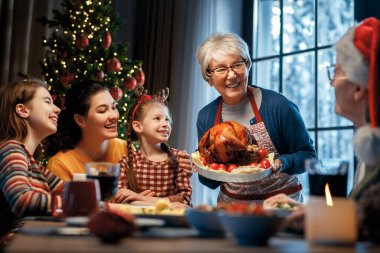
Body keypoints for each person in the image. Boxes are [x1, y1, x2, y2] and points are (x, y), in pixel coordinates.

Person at [263, 17, 380, 240]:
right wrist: (305, 211)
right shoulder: (370, 149)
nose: (332, 83)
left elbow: (364, 227)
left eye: (335, 72)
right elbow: (359, 215)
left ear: (357, 88)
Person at [196, 32, 317, 204]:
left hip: (281, 203)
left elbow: (309, 156)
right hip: (232, 207)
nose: (231, 75)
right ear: (209, 77)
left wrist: (282, 162)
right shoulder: (206, 117)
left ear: (247, 66)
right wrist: (199, 167)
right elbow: (210, 182)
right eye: (222, 69)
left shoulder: (278, 105)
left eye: (237, 65)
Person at [47, 81, 192, 183]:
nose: (113, 115)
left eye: (114, 107)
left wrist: (174, 167)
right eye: (102, 111)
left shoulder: (124, 148)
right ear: (80, 120)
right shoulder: (60, 165)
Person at [0, 79, 64, 242]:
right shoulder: (11, 150)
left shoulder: (33, 163)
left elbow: (67, 190)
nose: (57, 109)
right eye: (47, 101)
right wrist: (76, 202)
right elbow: (22, 200)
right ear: (23, 110)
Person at [114, 88, 192, 207]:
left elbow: (184, 202)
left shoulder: (179, 158)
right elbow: (120, 199)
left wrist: (139, 198)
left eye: (167, 119)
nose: (166, 124)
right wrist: (169, 202)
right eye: (157, 118)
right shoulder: (126, 162)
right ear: (138, 126)